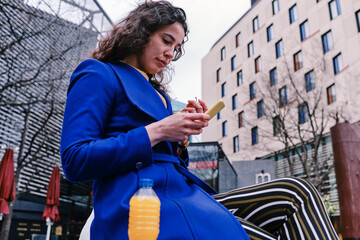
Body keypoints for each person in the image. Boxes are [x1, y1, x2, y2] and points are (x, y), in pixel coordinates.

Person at [60, 1, 339, 239]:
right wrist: (158, 130)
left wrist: (180, 139)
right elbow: (75, 159)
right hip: (139, 201)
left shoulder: (161, 97)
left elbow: (172, 164)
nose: (171, 53)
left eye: (177, 47)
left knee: (296, 191)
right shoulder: (98, 73)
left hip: (183, 195)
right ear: (139, 33)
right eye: (166, 40)